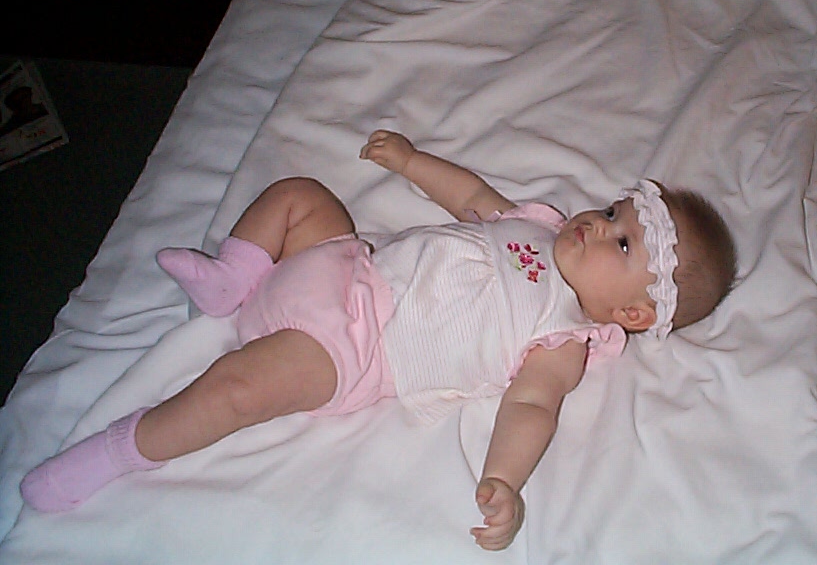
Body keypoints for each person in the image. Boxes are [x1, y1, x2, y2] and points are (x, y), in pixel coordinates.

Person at [21, 131, 738, 550]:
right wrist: (410, 161)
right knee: (300, 194)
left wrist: (506, 482)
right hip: (344, 261)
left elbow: (531, 409)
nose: (598, 225)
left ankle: (113, 452)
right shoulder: (537, 224)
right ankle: (231, 277)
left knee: (236, 389)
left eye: (621, 243)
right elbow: (469, 197)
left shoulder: (563, 338)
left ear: (632, 313)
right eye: (613, 212)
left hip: (350, 346)